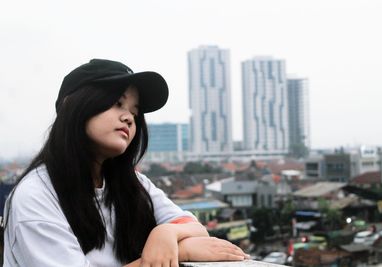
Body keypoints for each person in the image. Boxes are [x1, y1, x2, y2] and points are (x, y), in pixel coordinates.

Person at [3, 59, 249, 267]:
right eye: (118, 103)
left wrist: (166, 233)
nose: (128, 118)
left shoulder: (132, 183)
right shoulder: (36, 196)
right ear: (74, 105)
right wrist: (177, 253)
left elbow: (195, 228)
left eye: (134, 111)